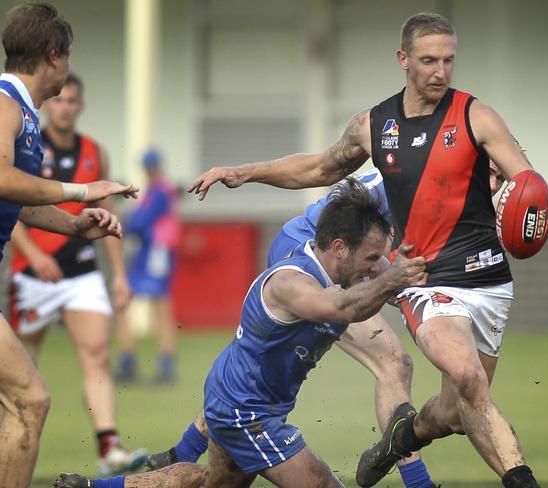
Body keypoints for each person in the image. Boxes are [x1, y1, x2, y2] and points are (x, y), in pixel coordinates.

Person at [183, 12, 548, 488]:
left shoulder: (476, 117)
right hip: (425, 279)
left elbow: (532, 187)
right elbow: (319, 168)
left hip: (487, 281)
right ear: (403, 60)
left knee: (455, 412)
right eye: (428, 61)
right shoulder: (375, 125)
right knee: (464, 376)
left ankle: (402, 438)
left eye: (448, 60)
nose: (440, 71)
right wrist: (245, 172)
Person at [54, 178, 427, 488]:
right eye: (372, 258)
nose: (379, 267)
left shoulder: (340, 276)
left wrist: (398, 280)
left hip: (237, 398)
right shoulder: (291, 282)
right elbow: (337, 309)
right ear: (340, 249)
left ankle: (90, 486)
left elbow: (358, 303)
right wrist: (394, 278)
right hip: (246, 413)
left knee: (209, 483)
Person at [0, 3, 139, 487]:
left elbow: (15, 197)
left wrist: (76, 226)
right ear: (54, 56)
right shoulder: (4, 104)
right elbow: (1, 178)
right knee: (30, 399)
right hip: (27, 278)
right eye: (69, 55)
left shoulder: (22, 112)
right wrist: (82, 191)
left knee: (22, 399)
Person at [114, 148, 181, 384]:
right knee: (143, 305)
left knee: (159, 308)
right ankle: (134, 360)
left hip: (156, 254)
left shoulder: (160, 191)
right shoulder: (158, 190)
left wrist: (126, 225)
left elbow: (140, 222)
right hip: (150, 253)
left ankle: (160, 364)